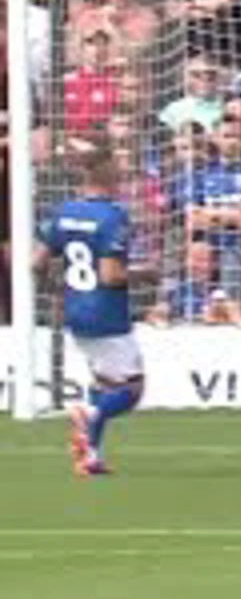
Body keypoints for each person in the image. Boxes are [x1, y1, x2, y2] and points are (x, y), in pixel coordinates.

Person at [34, 151, 142, 477]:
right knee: (131, 390)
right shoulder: (113, 217)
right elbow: (111, 275)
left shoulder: (63, 212)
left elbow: (36, 262)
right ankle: (89, 413)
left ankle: (90, 456)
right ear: (111, 180)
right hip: (107, 313)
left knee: (104, 382)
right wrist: (143, 273)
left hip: (75, 310)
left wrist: (61, 284)